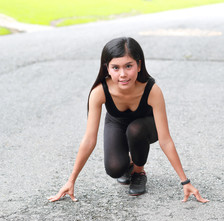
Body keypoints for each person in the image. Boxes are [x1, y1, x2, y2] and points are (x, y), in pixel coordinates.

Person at [48, 37, 208, 203]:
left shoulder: (152, 90)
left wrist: (185, 181)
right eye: (116, 67)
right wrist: (71, 180)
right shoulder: (99, 91)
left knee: (135, 129)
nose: (123, 74)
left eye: (128, 66)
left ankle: (139, 172)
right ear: (107, 68)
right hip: (116, 122)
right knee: (115, 169)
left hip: (146, 126)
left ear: (139, 65)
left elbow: (166, 140)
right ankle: (129, 164)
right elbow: (89, 139)